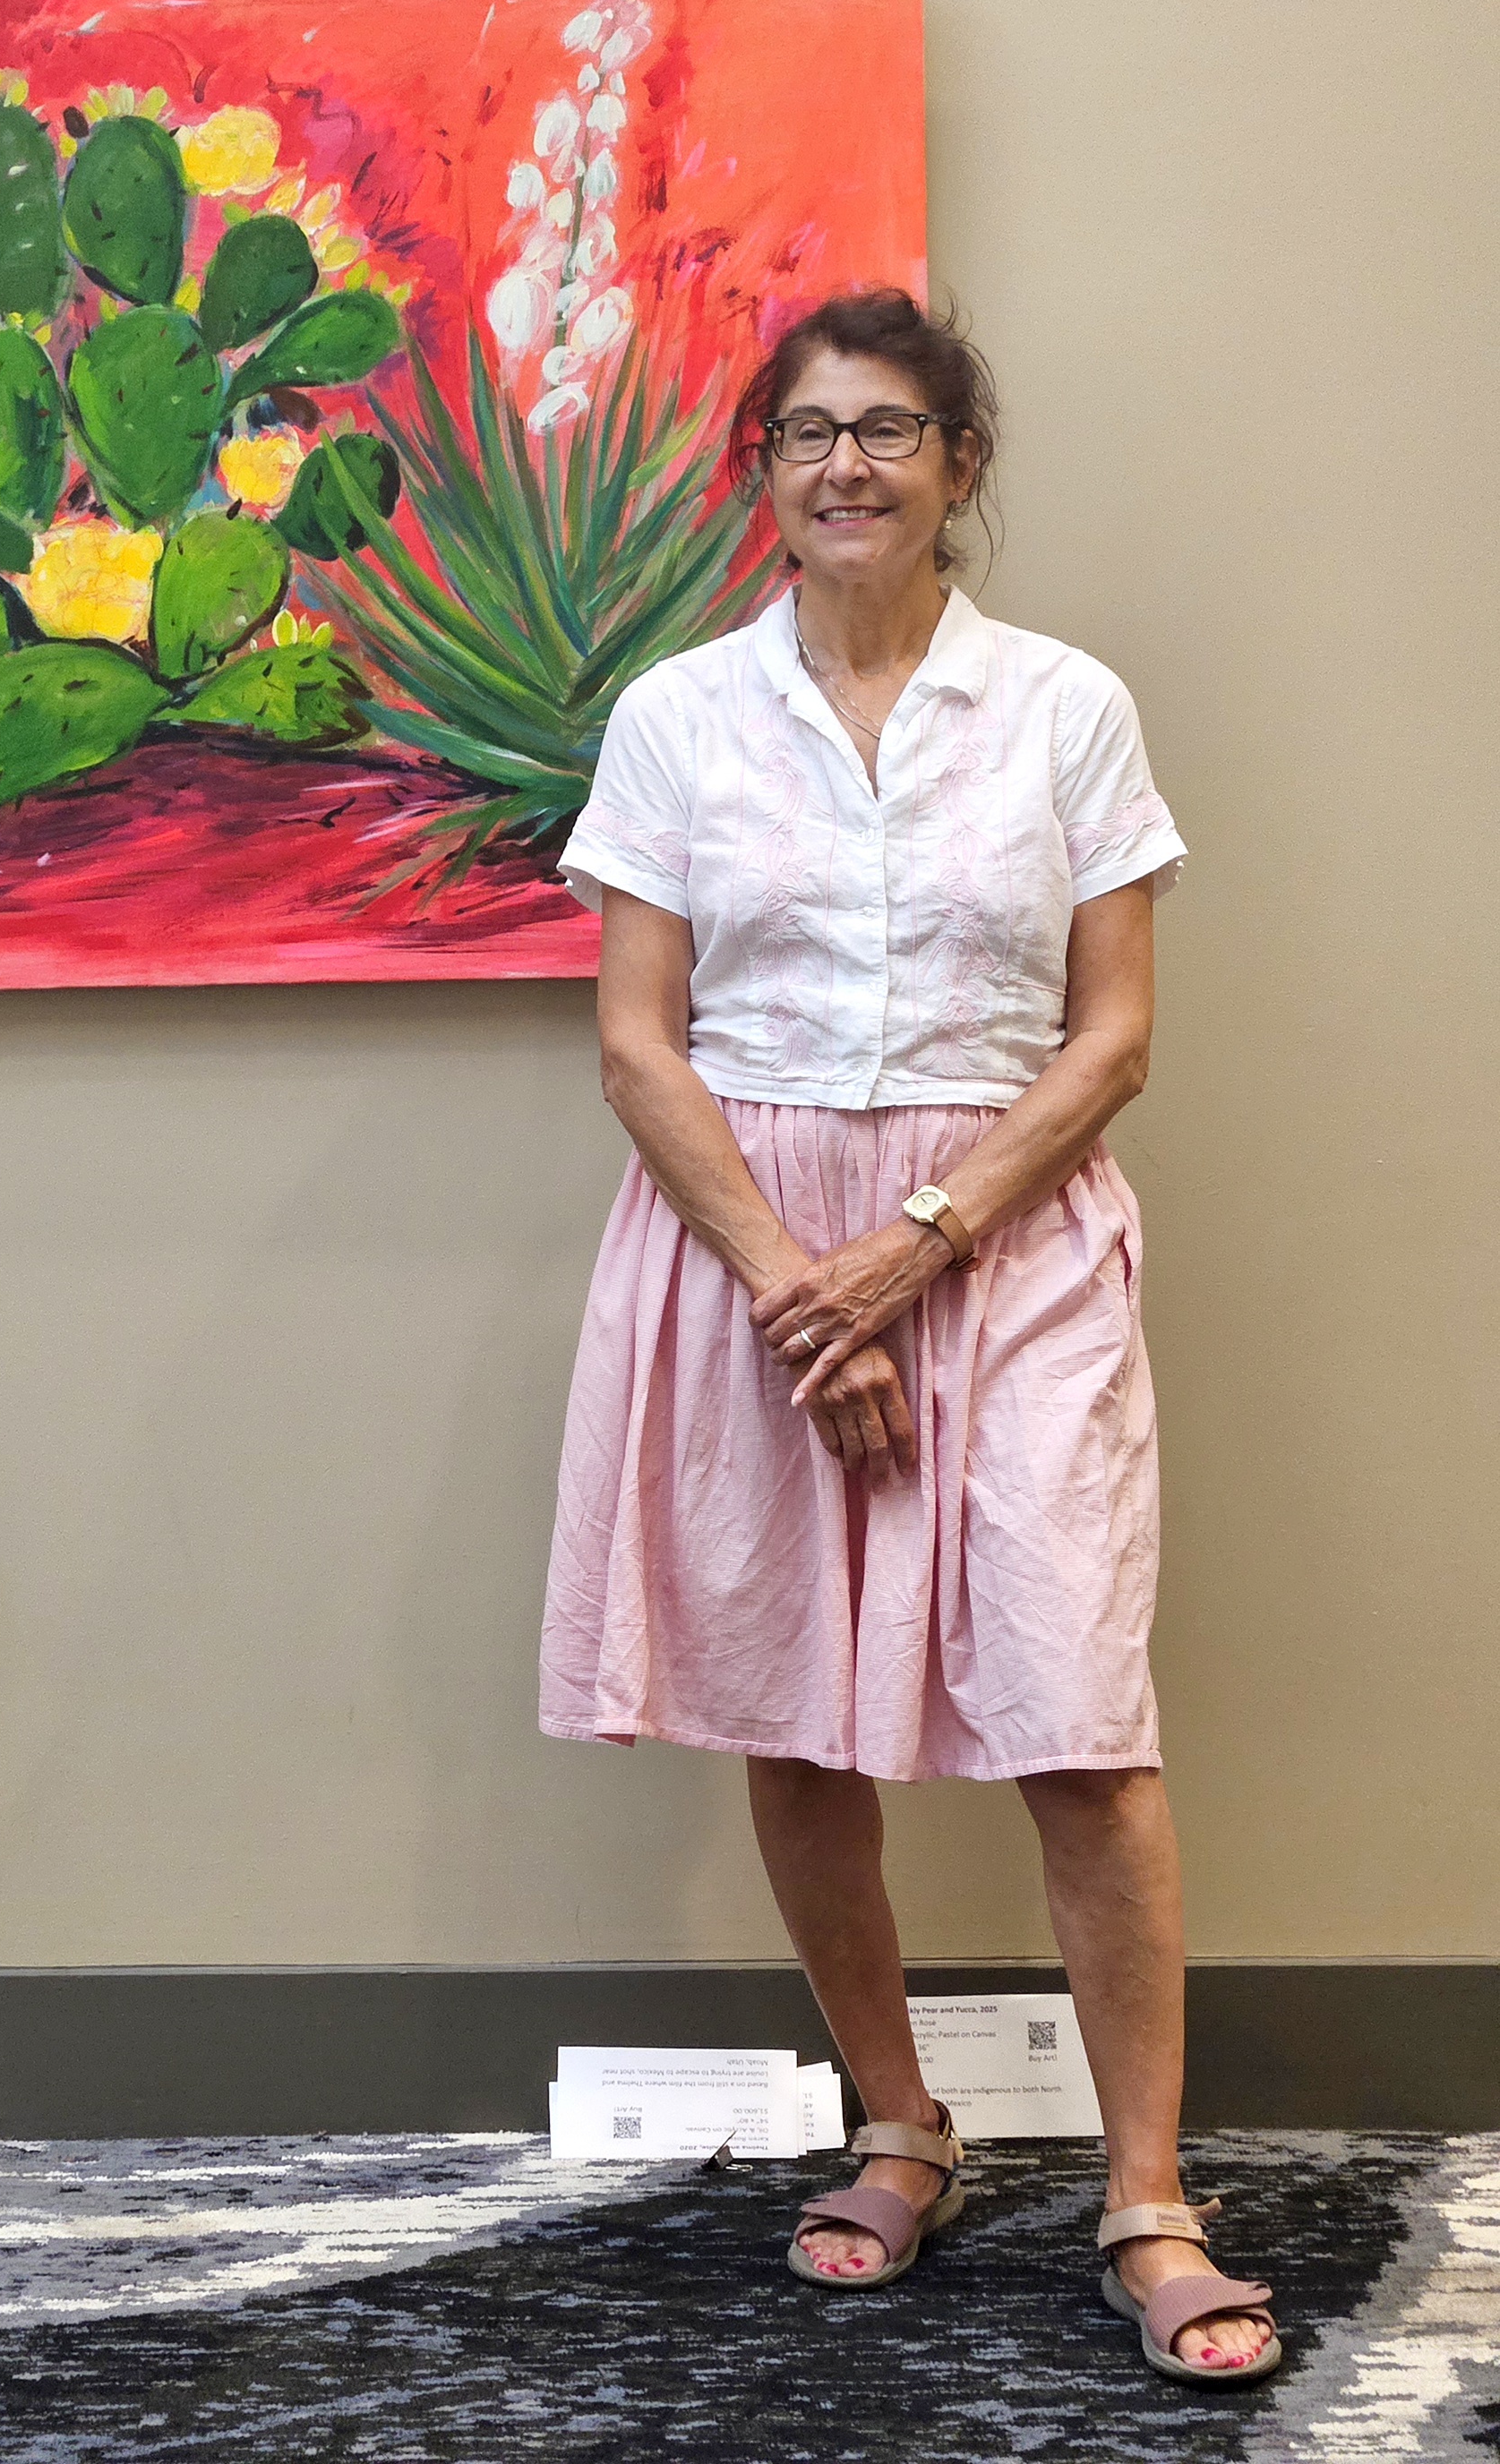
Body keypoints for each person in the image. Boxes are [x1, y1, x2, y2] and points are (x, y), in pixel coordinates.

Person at [540, 287, 1280, 2387]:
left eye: (887, 428)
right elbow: (635, 1037)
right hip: (747, 1249)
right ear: (761, 473)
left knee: (1081, 1721)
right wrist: (801, 1283)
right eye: (805, 433)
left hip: (1013, 1242)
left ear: (962, 463)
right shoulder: (682, 715)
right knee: (796, 1703)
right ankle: (899, 2120)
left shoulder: (1065, 708)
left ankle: (1148, 2193)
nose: (844, 463)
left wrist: (920, 1247)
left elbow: (1115, 1035)